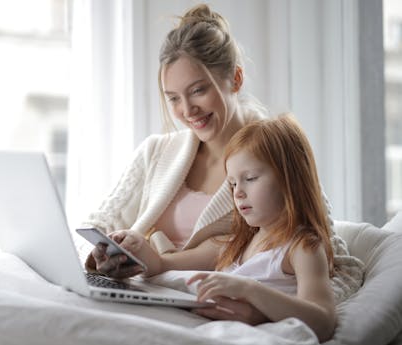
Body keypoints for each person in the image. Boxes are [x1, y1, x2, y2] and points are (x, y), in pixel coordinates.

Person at [82, 4, 363, 324]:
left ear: (236, 78)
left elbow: (339, 267)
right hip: (146, 294)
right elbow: (96, 231)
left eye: (198, 90)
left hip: (211, 310)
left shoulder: (274, 157)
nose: (187, 110)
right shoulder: (156, 153)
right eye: (173, 98)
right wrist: (101, 260)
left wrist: (264, 310)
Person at [110, 115, 336, 341]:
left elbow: (323, 320)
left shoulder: (302, 247)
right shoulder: (235, 243)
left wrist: (249, 290)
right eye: (233, 183)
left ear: (290, 179)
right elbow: (162, 265)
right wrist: (136, 246)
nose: (237, 193)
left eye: (250, 178)